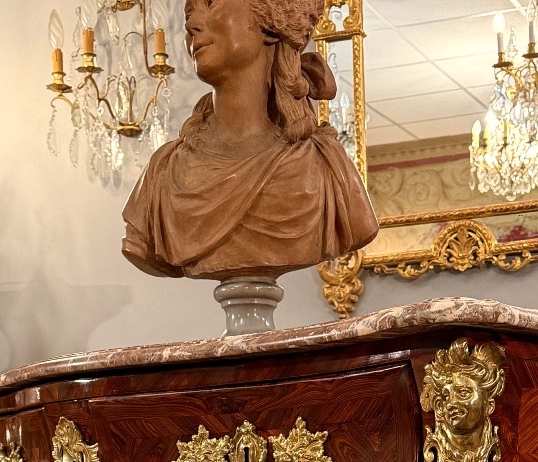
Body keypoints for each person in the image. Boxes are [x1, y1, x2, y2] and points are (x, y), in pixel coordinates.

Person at [121, 0, 378, 281]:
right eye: (189, 13)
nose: (191, 25)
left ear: (271, 22)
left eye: (211, 3)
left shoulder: (327, 168)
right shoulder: (164, 172)